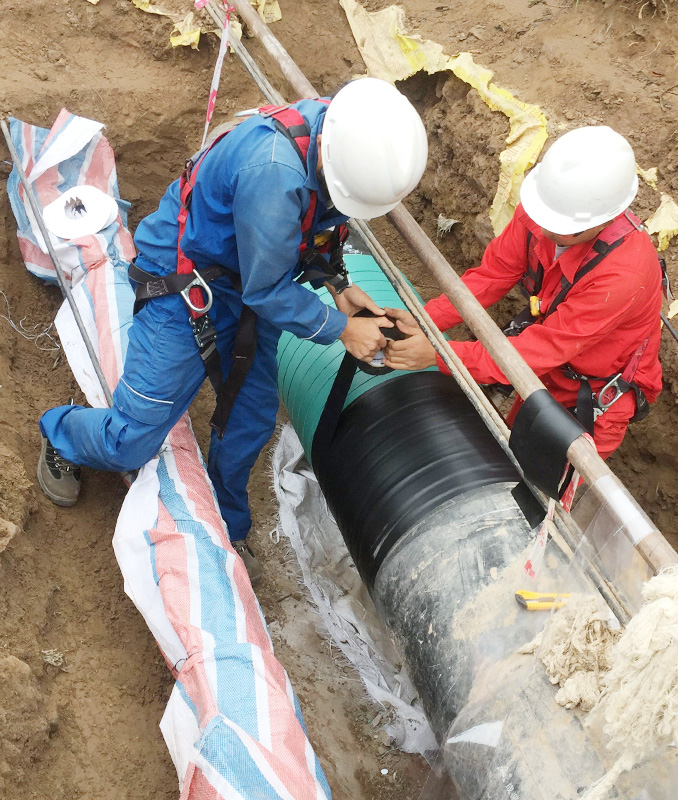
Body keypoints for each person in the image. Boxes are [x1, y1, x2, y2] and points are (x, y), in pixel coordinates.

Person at [37, 77, 428, 584]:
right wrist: (341, 330)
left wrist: (336, 284)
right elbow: (268, 291)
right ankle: (61, 435)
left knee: (249, 420)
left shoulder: (349, 137)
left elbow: (315, 229)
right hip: (186, 285)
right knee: (132, 441)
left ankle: (226, 523)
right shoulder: (274, 172)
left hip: (245, 281)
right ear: (333, 163)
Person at [384, 125, 662, 461]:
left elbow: (543, 347)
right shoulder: (544, 209)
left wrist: (440, 355)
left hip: (593, 397)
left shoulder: (623, 274)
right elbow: (492, 275)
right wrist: (426, 322)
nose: (546, 229)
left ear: (606, 219)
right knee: (509, 455)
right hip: (545, 374)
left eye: (563, 227)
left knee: (547, 485)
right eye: (545, 217)